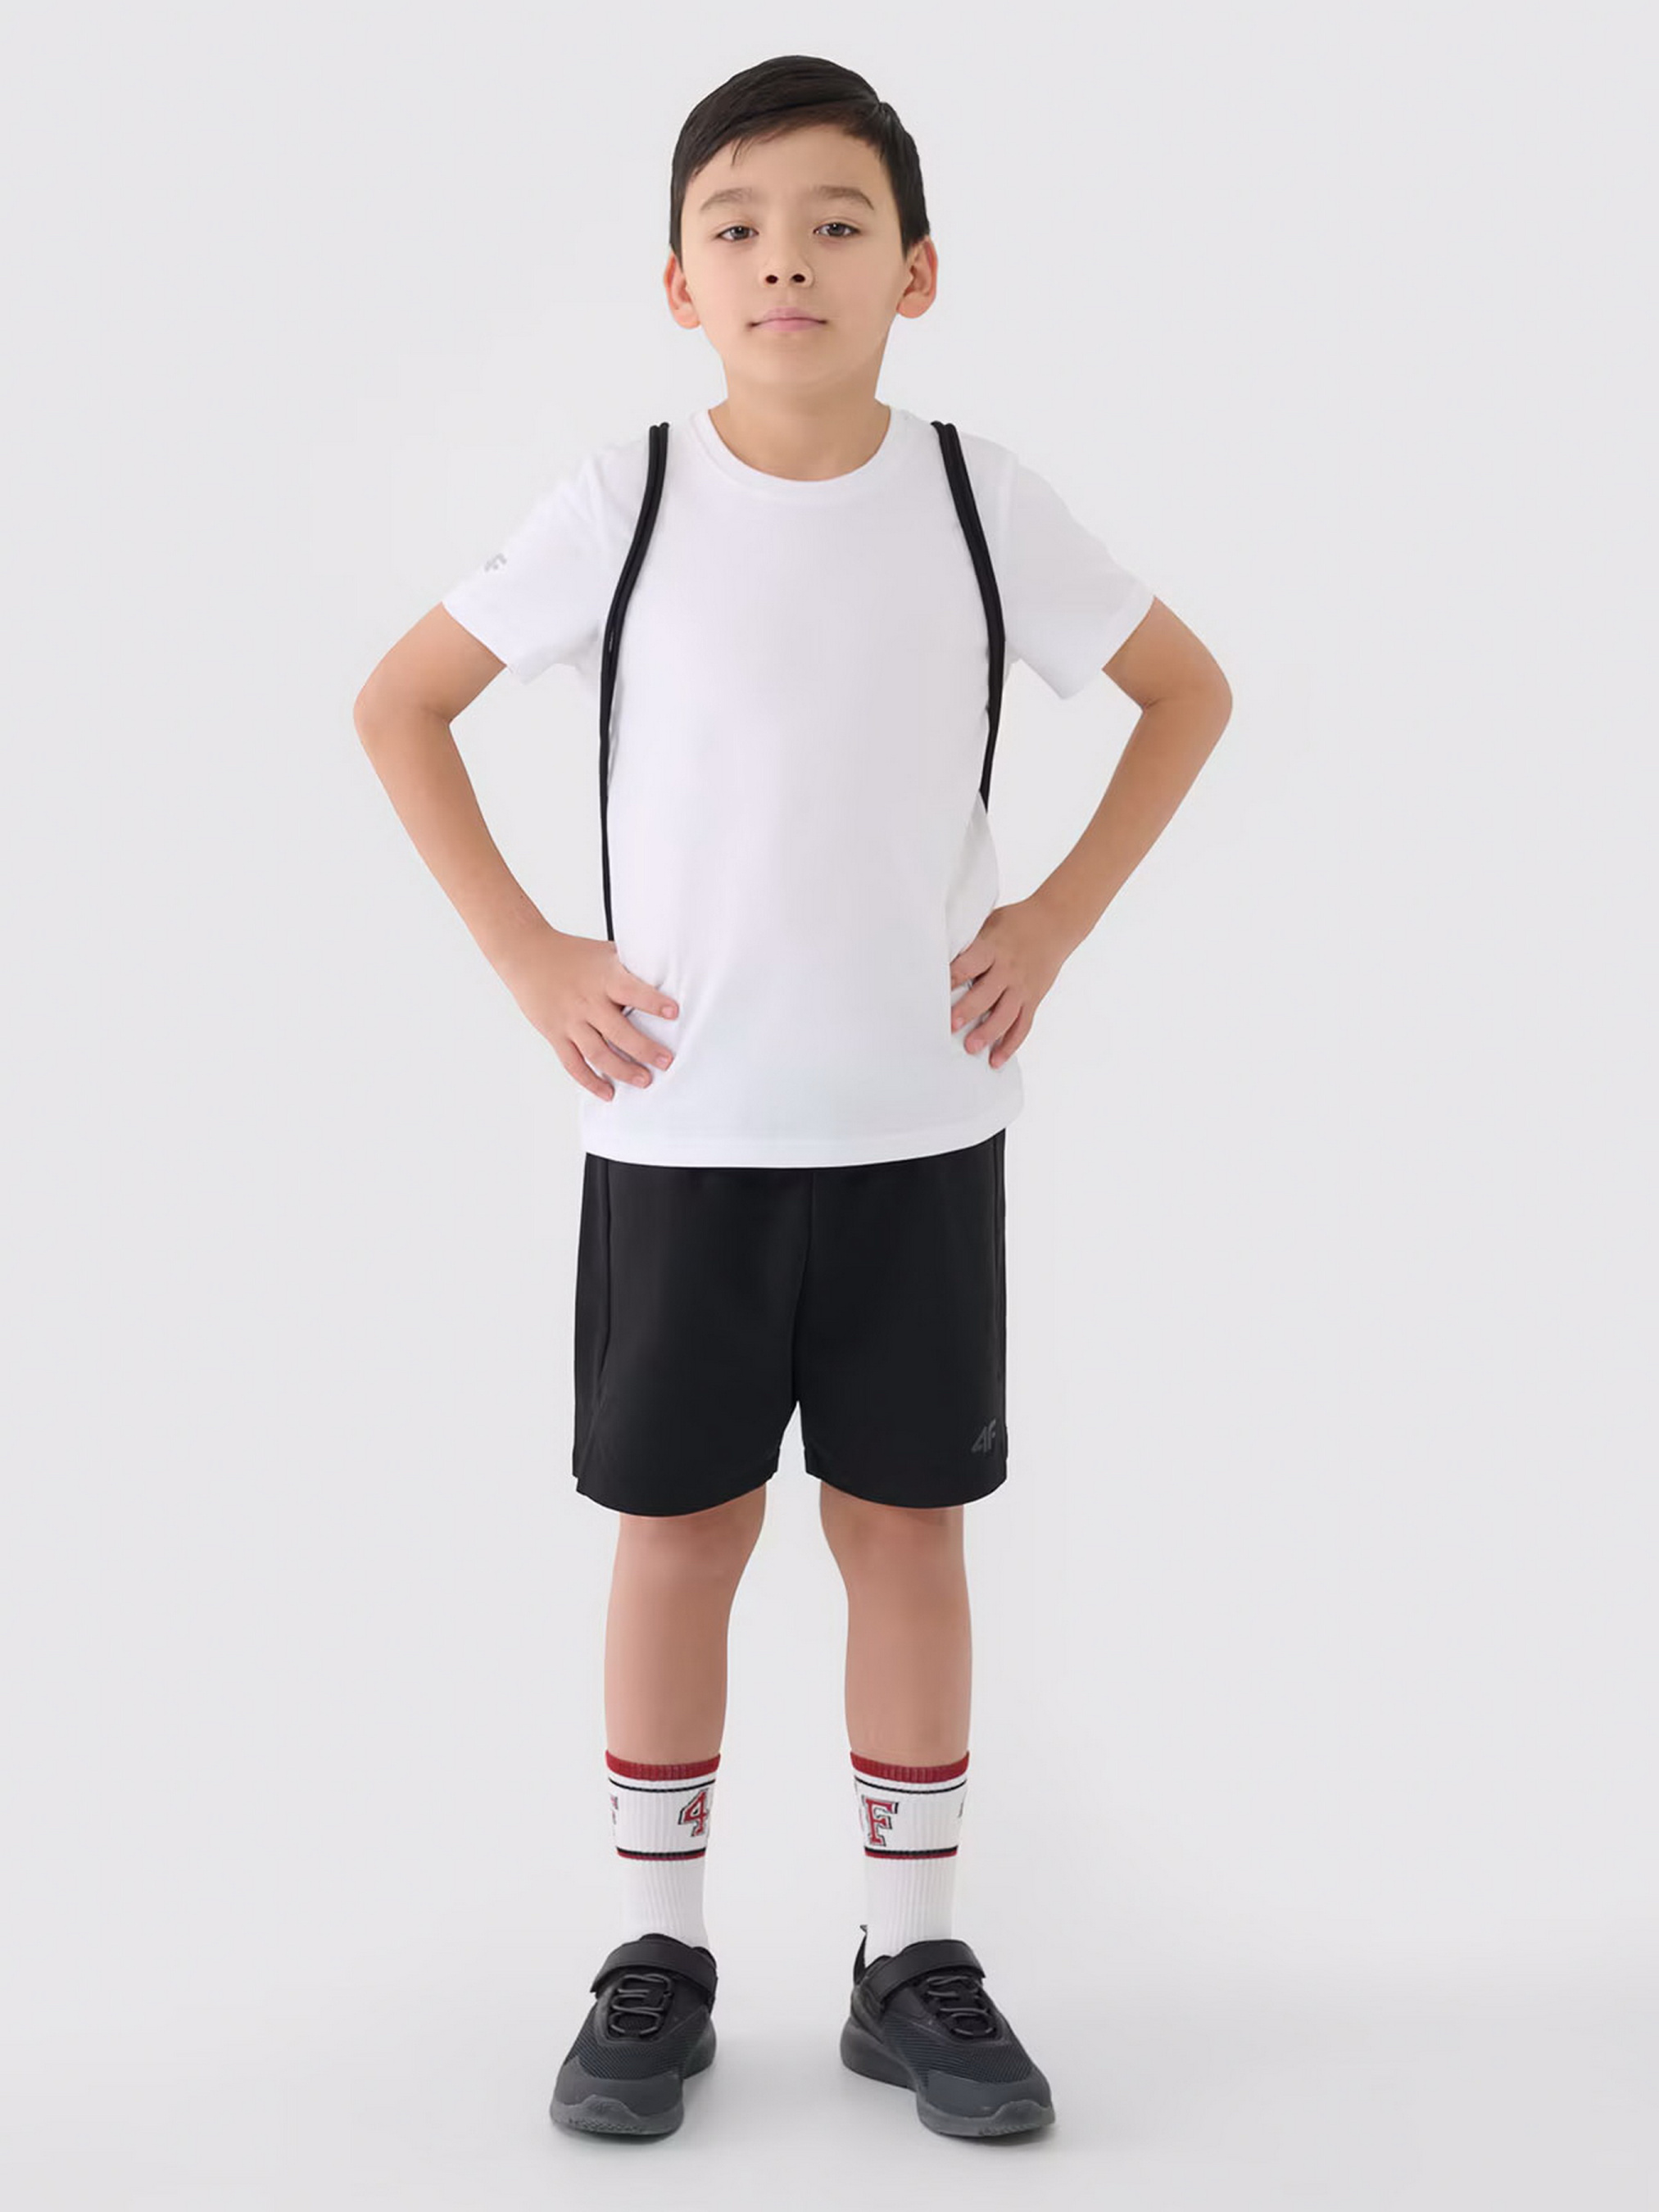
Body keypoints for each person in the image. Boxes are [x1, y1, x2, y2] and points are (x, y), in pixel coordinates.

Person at [354, 54, 1231, 2144]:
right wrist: (526, 951)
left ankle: (907, 1953)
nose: (785, 261)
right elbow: (402, 702)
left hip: (918, 1126)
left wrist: (1051, 919)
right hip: (680, 1134)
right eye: (736, 227)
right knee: (678, 1534)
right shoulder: (626, 499)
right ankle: (653, 1952)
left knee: (904, 1528)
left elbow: (1183, 692)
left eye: (836, 223)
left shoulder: (977, 500)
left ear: (913, 270)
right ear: (678, 283)